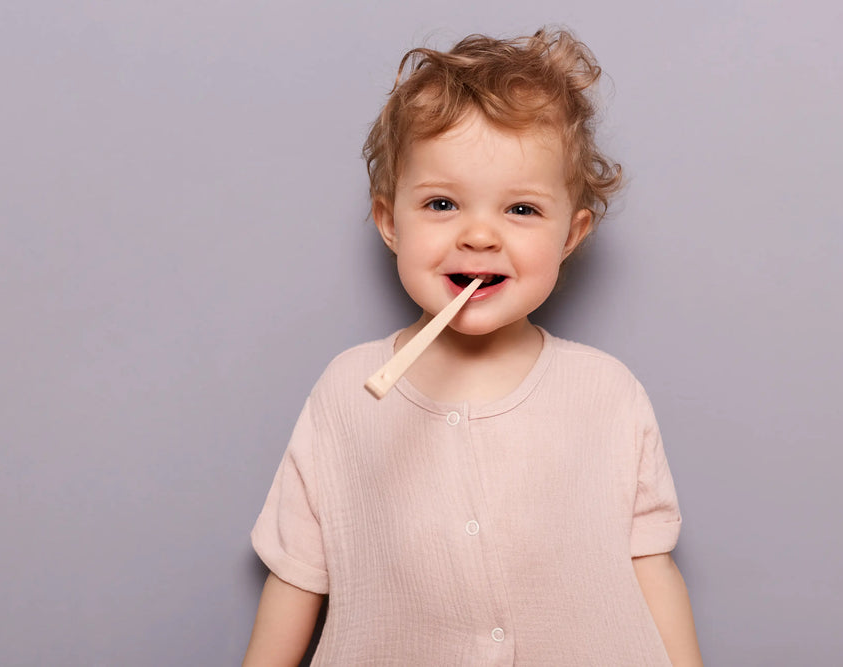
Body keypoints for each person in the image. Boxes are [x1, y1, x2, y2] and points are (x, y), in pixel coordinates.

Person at [243, 28, 703, 666]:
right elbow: (297, 572)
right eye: (441, 203)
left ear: (571, 235)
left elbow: (650, 561)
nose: (480, 235)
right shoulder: (346, 392)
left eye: (520, 210)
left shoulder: (607, 392)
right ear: (389, 223)